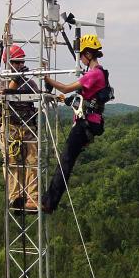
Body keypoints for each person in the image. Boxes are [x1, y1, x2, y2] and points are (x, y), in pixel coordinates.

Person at [40, 33, 111, 213]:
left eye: (81, 55)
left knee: (65, 161)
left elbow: (65, 87)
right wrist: (64, 99)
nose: (80, 59)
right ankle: (50, 200)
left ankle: (50, 202)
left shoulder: (93, 75)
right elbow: (80, 98)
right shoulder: (99, 73)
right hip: (90, 123)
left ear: (88, 54)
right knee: (67, 161)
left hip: (84, 125)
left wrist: (46, 77)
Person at [0, 43, 40, 212]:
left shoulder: (29, 82)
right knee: (12, 163)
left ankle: (32, 198)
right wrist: (16, 79)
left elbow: (37, 95)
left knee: (33, 162)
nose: (20, 65)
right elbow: (5, 94)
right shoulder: (0, 81)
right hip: (11, 127)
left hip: (28, 126)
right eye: (16, 62)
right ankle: (16, 198)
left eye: (21, 62)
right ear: (7, 63)